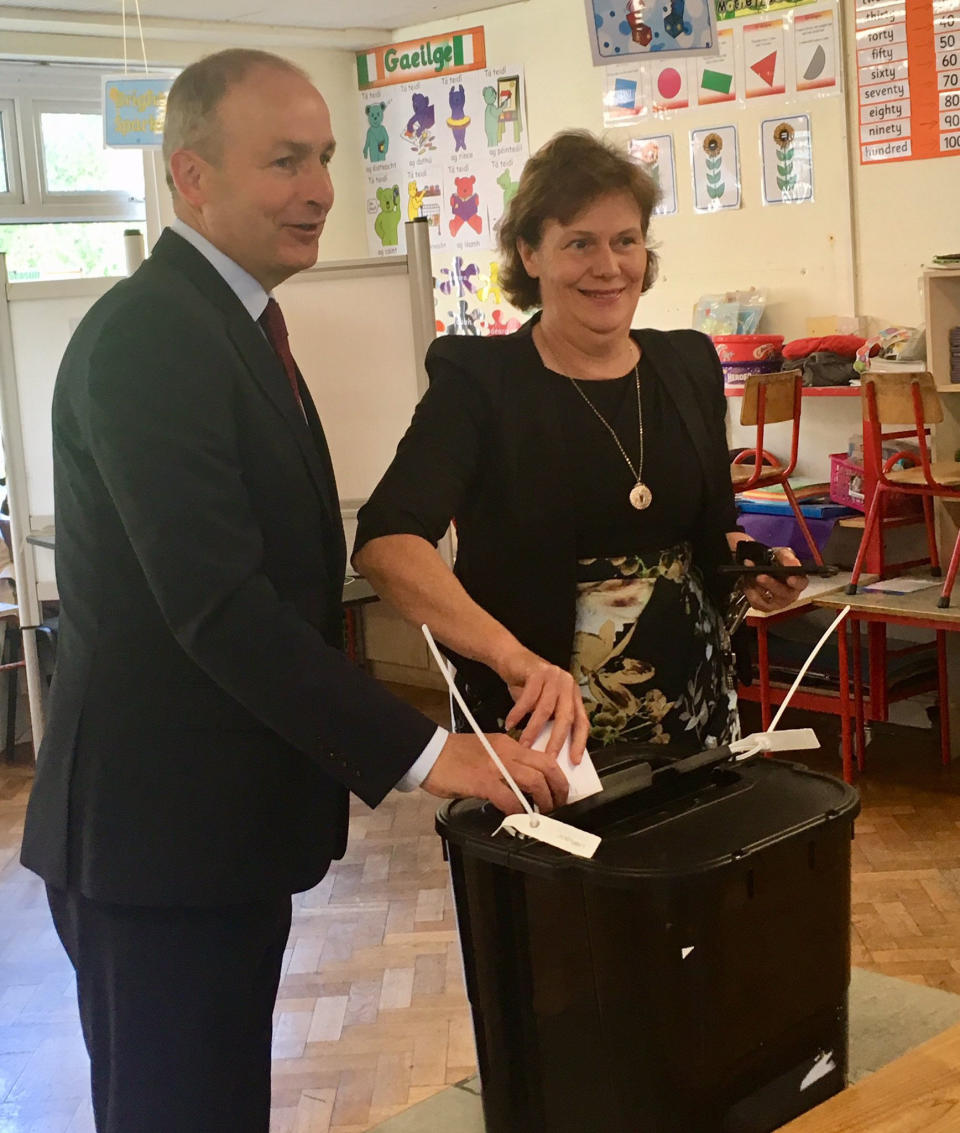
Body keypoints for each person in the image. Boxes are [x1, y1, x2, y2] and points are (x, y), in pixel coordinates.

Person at [19, 50, 569, 1133]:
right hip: (152, 840)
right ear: (190, 175)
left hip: (216, 831)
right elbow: (218, 604)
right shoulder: (150, 338)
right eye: (284, 160)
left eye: (322, 157)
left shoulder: (237, 324)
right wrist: (428, 752)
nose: (320, 187)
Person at [353, 130, 806, 757]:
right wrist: (511, 660)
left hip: (693, 712)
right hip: (538, 723)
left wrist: (752, 564)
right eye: (579, 243)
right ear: (530, 255)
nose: (608, 266)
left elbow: (712, 529)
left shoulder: (688, 363)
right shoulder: (480, 381)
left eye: (626, 241)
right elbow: (387, 544)